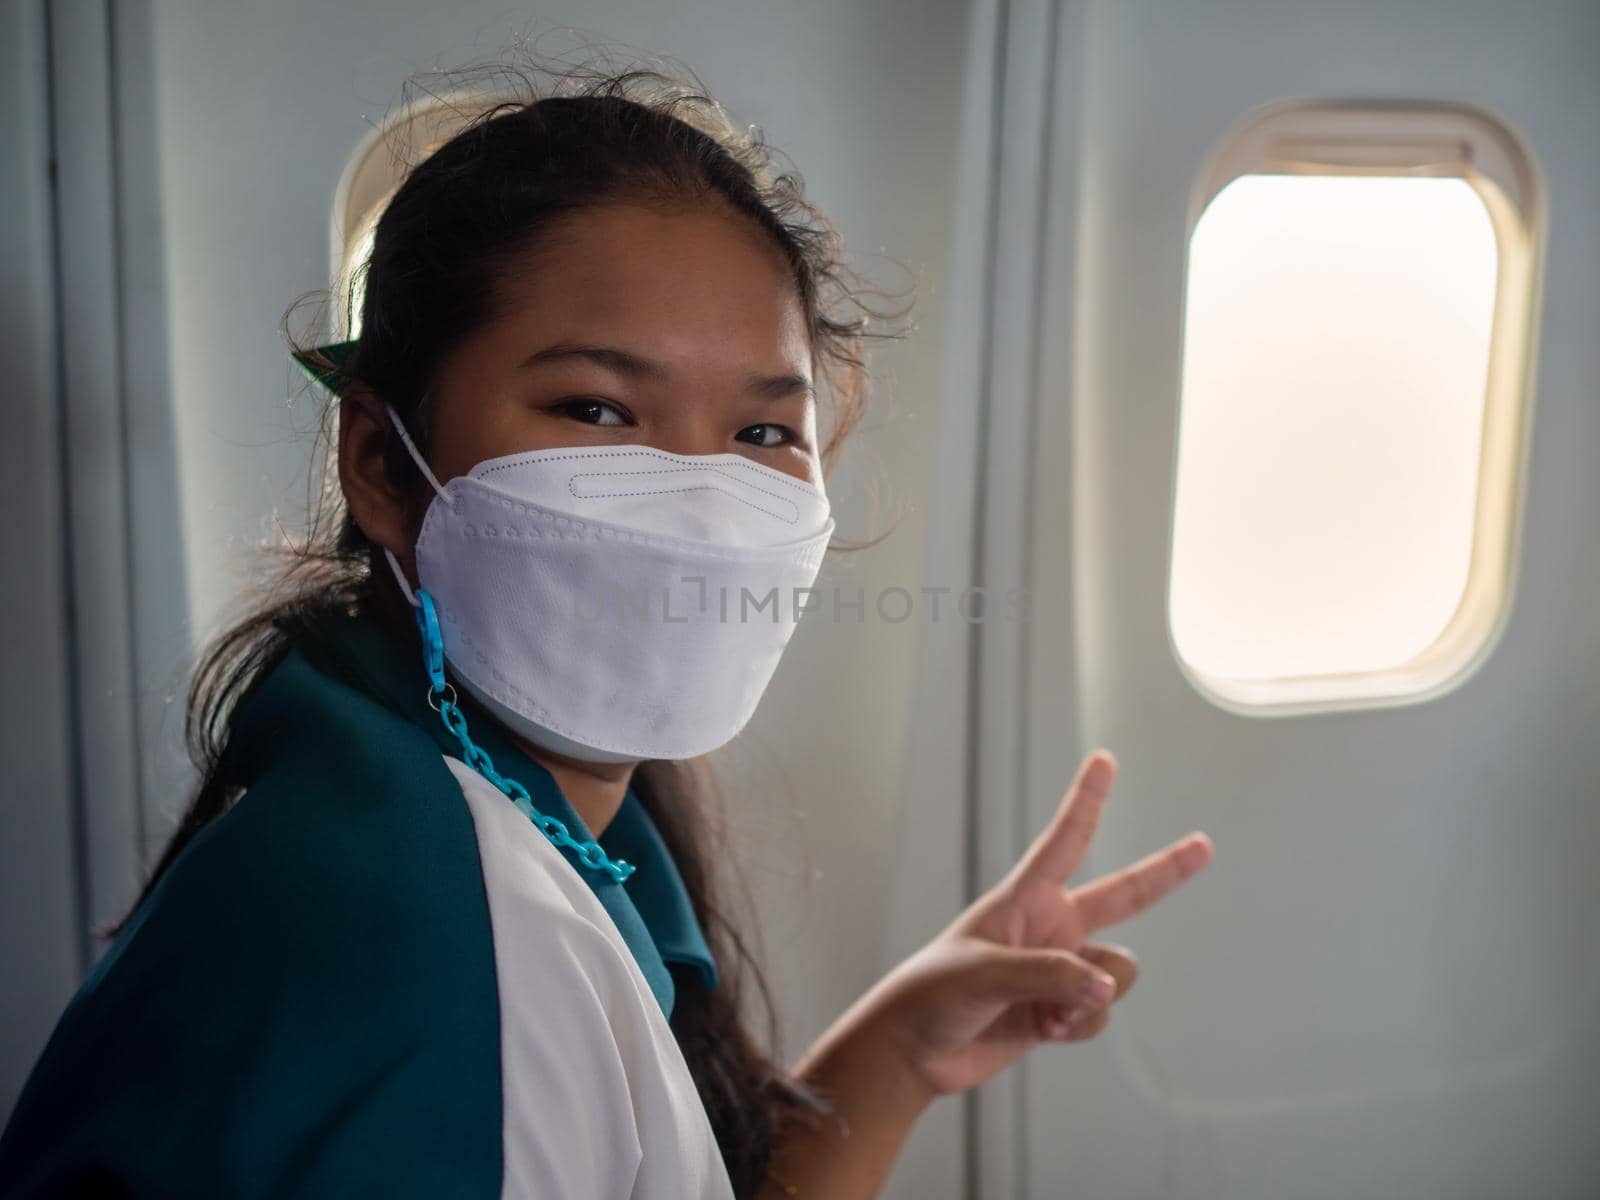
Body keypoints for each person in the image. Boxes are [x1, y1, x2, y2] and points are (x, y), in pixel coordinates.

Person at [0, 55, 1214, 1200]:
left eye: (761, 435)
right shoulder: (439, 945)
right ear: (381, 461)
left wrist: (899, 1048)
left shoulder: (464, 781)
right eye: (595, 407)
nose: (695, 504)